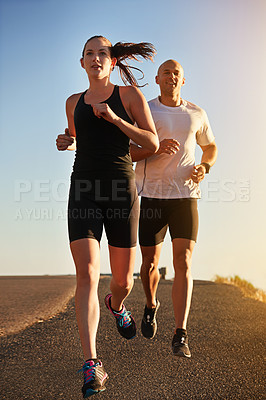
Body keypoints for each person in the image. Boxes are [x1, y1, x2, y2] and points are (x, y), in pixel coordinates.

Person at [56, 35, 159, 398]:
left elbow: (151, 142)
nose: (96, 58)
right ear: (81, 62)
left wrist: (116, 119)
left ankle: (116, 305)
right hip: (83, 187)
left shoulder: (129, 96)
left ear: (111, 62)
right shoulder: (73, 102)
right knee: (86, 273)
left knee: (122, 281)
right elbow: (77, 136)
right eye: (89, 53)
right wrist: (66, 140)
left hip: (120, 190)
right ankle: (93, 365)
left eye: (103, 53)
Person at [130, 59, 218, 358]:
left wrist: (204, 166)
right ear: (157, 79)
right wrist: (153, 148)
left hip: (186, 196)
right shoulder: (147, 110)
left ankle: (181, 333)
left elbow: (211, 146)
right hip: (152, 196)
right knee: (150, 265)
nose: (171, 76)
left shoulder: (197, 113)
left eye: (176, 73)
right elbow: (126, 151)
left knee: (184, 261)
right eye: (166, 72)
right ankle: (151, 304)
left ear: (184, 80)